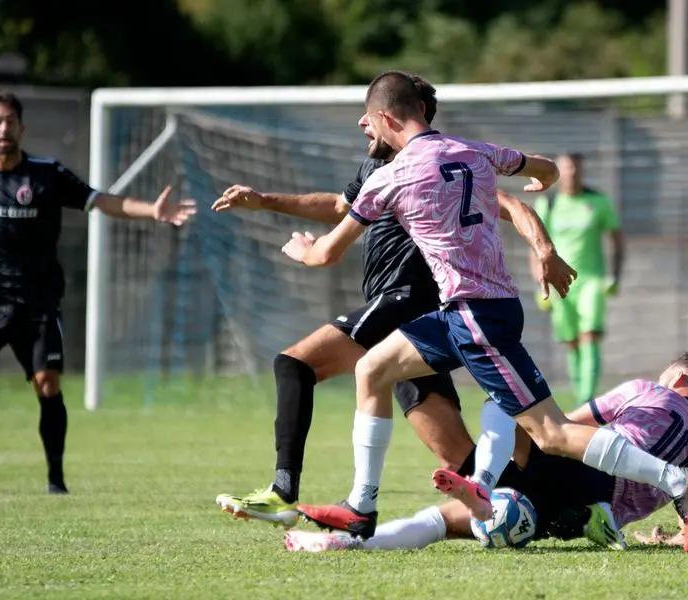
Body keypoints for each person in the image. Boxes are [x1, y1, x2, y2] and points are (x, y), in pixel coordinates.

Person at [282, 70, 688, 552]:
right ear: (421, 110)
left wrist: (301, 249)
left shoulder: (391, 176)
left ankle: (676, 480)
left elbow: (325, 254)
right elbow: (544, 168)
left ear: (384, 118)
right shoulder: (474, 150)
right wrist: (540, 184)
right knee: (373, 367)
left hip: (474, 315)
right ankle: (362, 505)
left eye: (370, 123)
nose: (368, 131)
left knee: (551, 433)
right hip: (476, 311)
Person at [213, 73, 576, 527]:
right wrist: (265, 200)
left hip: (408, 302)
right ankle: (565, 511)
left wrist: (544, 250)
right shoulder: (377, 170)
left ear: (397, 116)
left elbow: (513, 206)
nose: (362, 125)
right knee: (458, 450)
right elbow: (338, 207)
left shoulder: (440, 164)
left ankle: (292, 494)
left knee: (295, 363)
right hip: (426, 320)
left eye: (370, 117)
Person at [0, 90, 197, 494]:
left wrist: (151, 210)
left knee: (48, 383)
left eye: (10, 120)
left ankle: (55, 480)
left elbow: (101, 200)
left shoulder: (46, 175)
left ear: (21, 128)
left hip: (38, 303)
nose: (3, 128)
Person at [288, 352, 688, 554]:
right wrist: (671, 535)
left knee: (506, 407)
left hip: (582, 475)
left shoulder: (648, 391)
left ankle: (481, 484)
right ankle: (340, 545)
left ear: (680, 380)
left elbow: (559, 425)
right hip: (572, 513)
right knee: (450, 518)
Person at [531, 152, 625, 405]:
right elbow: (537, 246)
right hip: (560, 282)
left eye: (576, 167)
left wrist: (614, 275)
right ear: (558, 172)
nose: (572, 172)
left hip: (591, 281)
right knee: (571, 341)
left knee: (590, 335)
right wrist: (540, 283)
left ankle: (587, 398)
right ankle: (579, 394)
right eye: (566, 168)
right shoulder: (548, 204)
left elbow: (616, 239)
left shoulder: (598, 201)